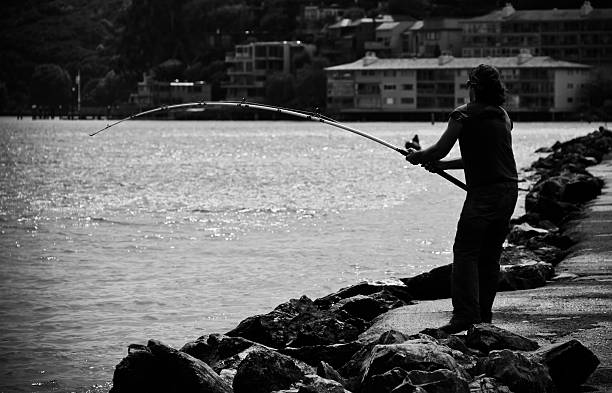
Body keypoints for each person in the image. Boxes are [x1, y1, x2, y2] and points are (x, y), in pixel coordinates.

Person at [405, 64, 518, 334]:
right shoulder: (503, 116)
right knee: (490, 256)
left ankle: (466, 315)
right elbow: (478, 158)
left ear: (475, 87)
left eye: (470, 86)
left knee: (465, 252)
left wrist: (419, 156)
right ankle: (484, 316)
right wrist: (440, 166)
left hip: (485, 194)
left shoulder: (462, 115)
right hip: (509, 190)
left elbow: (441, 149)